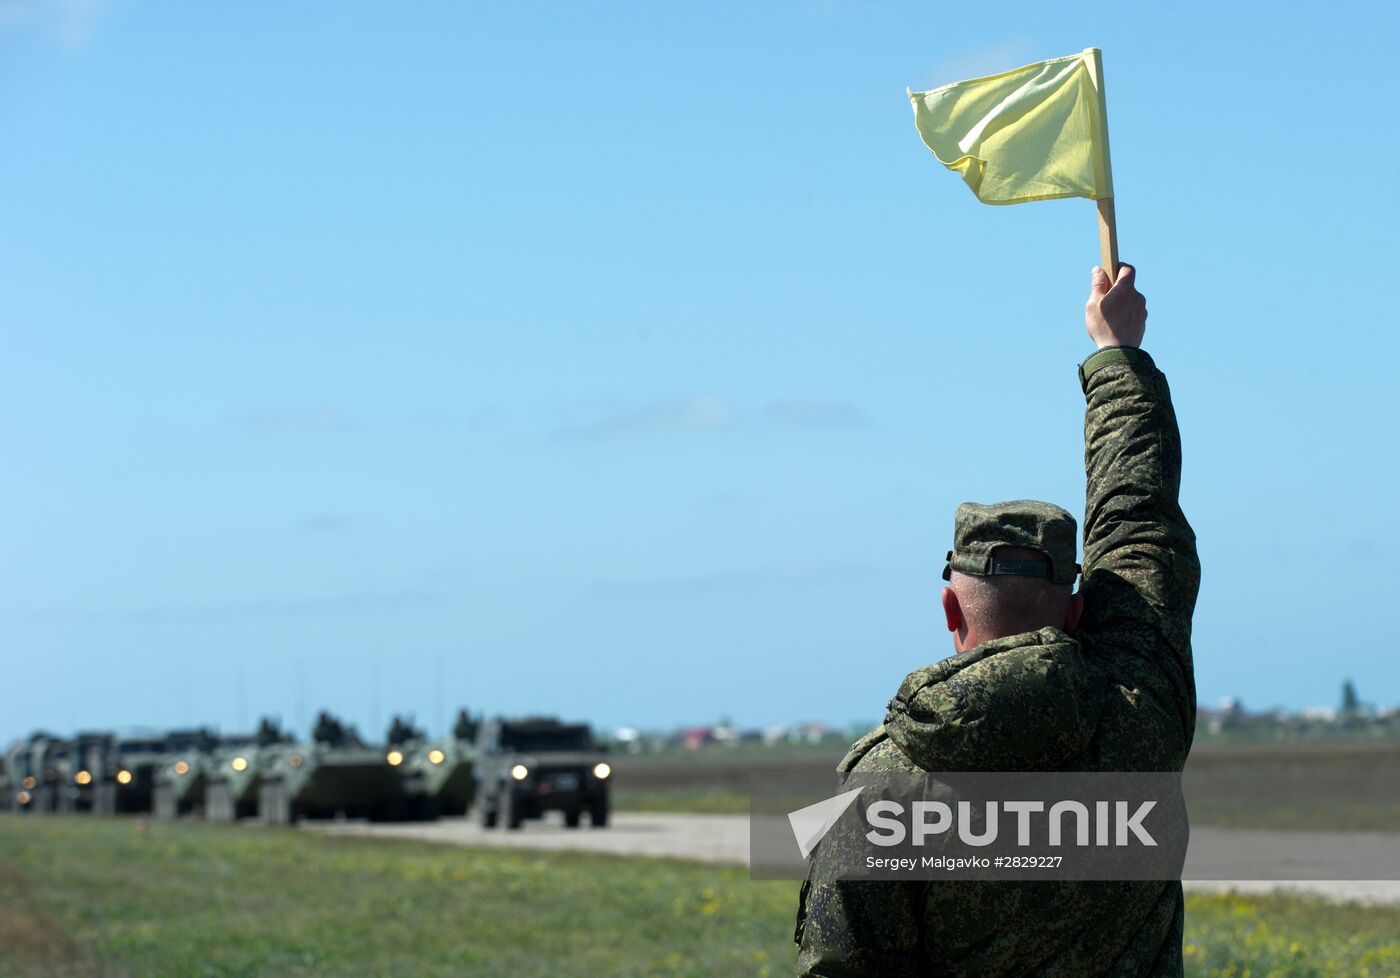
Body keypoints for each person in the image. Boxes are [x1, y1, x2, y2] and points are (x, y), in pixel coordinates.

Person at [794, 263, 1200, 977]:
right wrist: (1118, 354)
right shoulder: (1141, 711)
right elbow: (1139, 523)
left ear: (951, 608)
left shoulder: (883, 781)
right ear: (1077, 611)